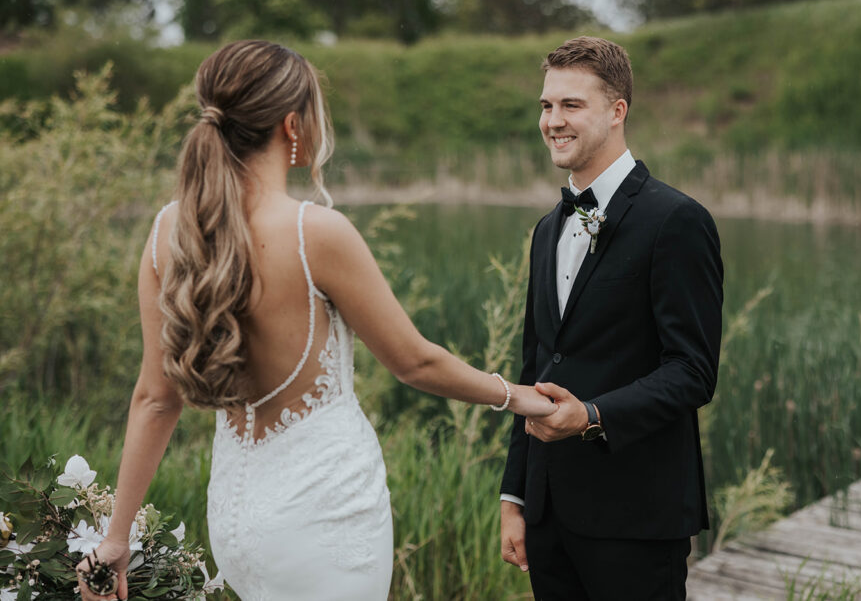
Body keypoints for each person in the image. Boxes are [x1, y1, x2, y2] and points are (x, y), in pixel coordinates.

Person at [75, 39, 556, 601]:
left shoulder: (168, 233)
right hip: (324, 518)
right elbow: (415, 362)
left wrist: (116, 539)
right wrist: (515, 396)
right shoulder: (316, 234)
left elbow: (156, 399)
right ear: (291, 124)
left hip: (233, 521)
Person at [498, 36, 724, 600]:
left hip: (637, 517)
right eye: (547, 105)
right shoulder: (549, 228)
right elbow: (535, 365)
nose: (553, 120)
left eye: (572, 105)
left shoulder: (677, 220)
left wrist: (591, 416)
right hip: (550, 515)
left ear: (617, 111)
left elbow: (692, 371)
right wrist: (515, 498)